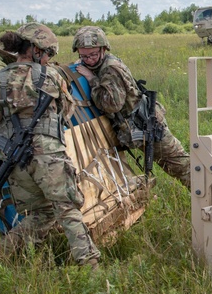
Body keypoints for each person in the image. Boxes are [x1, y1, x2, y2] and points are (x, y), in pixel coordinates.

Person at [0, 23, 101, 269]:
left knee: (41, 215)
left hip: (14, 159)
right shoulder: (52, 76)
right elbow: (67, 111)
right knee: (68, 210)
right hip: (49, 156)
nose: (48, 59)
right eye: (48, 53)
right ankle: (92, 269)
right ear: (35, 50)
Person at [71, 26, 191, 188]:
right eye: (84, 56)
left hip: (144, 124)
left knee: (179, 165)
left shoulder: (111, 69)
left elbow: (111, 104)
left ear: (103, 49)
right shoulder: (96, 65)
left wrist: (91, 78)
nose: (89, 60)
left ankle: (210, 193)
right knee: (177, 163)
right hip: (138, 124)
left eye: (93, 54)